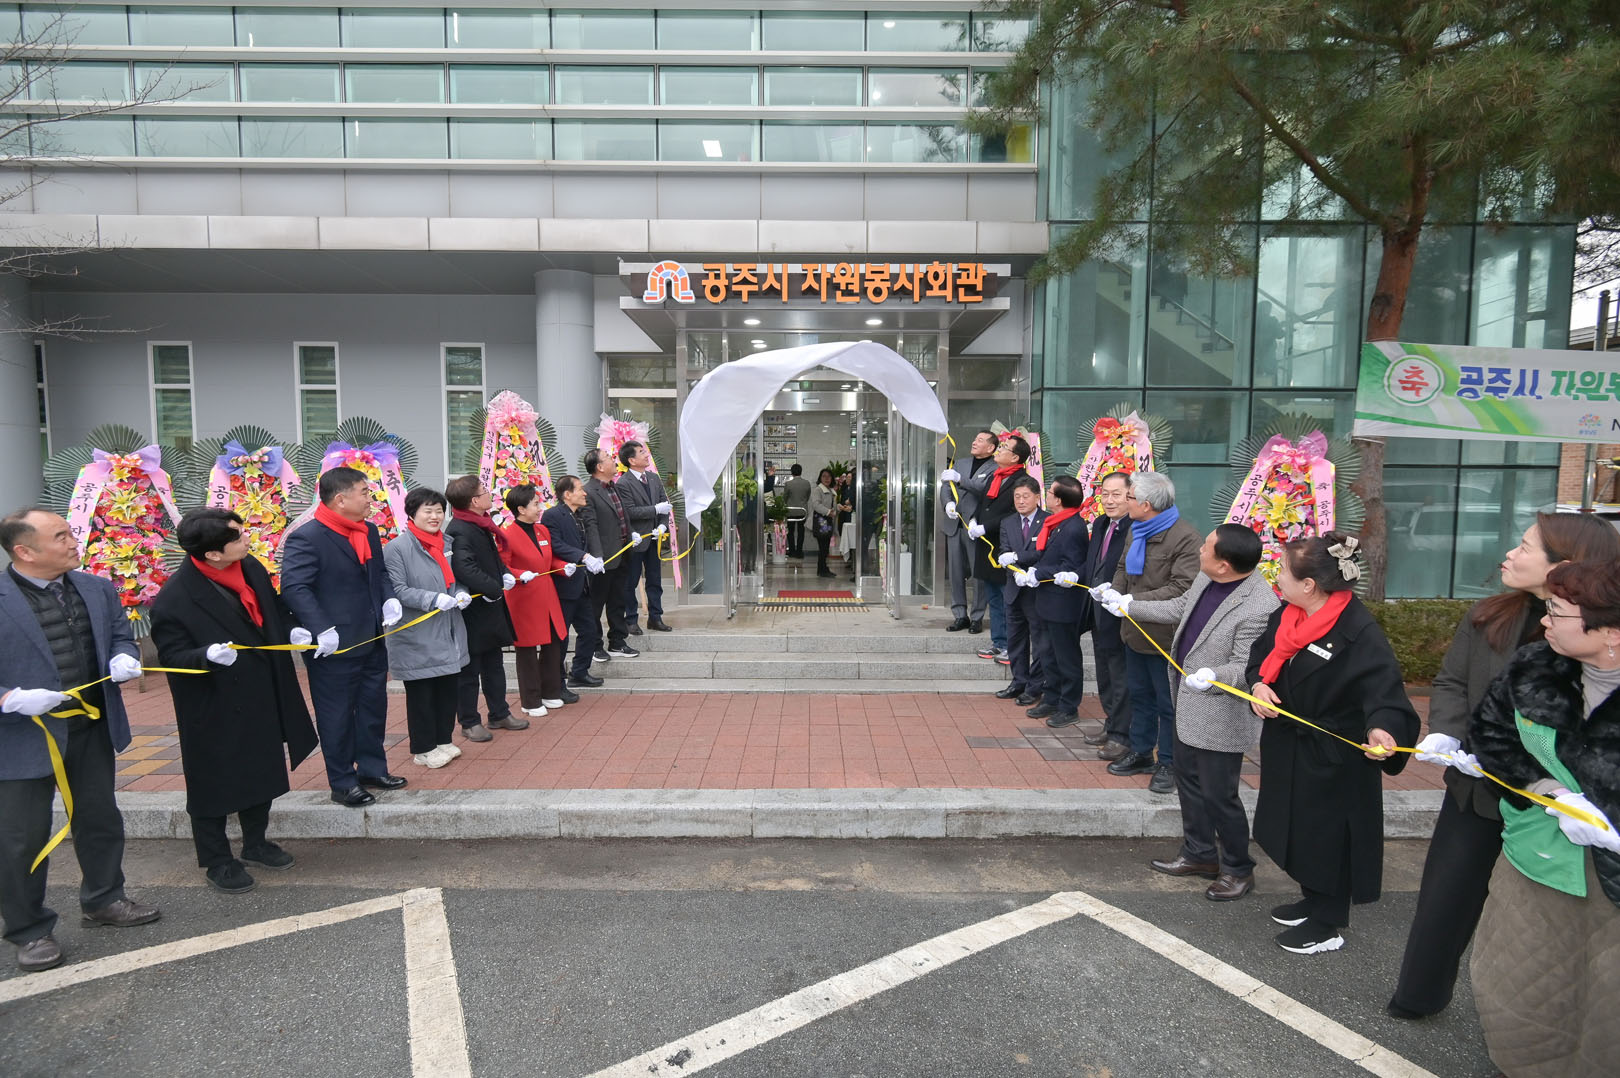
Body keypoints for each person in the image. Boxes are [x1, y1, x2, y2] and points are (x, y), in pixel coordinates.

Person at [1389, 512, 1620, 1020]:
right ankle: (1419, 995)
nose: (1510, 554)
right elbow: (1452, 681)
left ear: (1567, 565)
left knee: (1546, 932)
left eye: (1525, 546)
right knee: (1446, 900)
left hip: (1559, 812)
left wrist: (1548, 784)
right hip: (1475, 787)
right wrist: (1449, 732)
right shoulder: (1489, 615)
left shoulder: (1589, 643)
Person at [1469, 559, 1620, 1078]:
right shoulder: (1535, 664)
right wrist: (1548, 790)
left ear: (1611, 632)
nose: (1545, 621)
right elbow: (1491, 734)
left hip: (1611, 888)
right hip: (1535, 864)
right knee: (1518, 992)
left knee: (1605, 1014)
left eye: (1557, 612)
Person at [1243, 533, 1419, 955]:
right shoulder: (1288, 614)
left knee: (1329, 837)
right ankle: (1313, 897)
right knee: (1297, 826)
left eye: (1283, 571)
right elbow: (1259, 658)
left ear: (1309, 585)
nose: (1276, 577)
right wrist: (1259, 685)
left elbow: (1385, 691)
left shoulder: (1358, 630)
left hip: (1334, 752)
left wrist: (1382, 730)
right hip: (1290, 743)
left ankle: (1328, 920)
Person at [0, 508, 160, 972]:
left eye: (70, 532)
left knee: (99, 818)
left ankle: (104, 899)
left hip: (89, 726)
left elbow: (120, 637)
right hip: (21, 736)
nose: (74, 541)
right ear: (24, 551)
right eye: (60, 536)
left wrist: (123, 657)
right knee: (21, 837)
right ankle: (29, 929)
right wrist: (8, 698)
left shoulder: (95, 588)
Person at [151, 508, 319, 894]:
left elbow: (273, 607)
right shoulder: (175, 598)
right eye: (238, 536)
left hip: (262, 689)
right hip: (215, 702)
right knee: (213, 782)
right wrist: (205, 656)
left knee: (262, 770)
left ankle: (255, 843)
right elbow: (172, 656)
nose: (247, 539)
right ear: (212, 553)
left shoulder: (249, 567)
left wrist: (292, 629)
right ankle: (216, 859)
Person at [1118, 525, 1279, 900]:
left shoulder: (1259, 605)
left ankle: (1238, 868)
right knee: (1188, 783)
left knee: (1220, 795)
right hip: (1187, 702)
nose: (1200, 550)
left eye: (1207, 547)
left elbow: (1247, 666)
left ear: (1224, 564)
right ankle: (1199, 853)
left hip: (1220, 715)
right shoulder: (1207, 579)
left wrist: (1215, 676)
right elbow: (1179, 607)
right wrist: (1129, 605)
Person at [281, 466, 407, 807]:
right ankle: (342, 782)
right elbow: (295, 588)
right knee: (336, 715)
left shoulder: (367, 529)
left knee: (372, 708)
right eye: (364, 492)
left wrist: (389, 598)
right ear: (340, 499)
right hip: (333, 643)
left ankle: (372, 768)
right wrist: (321, 627)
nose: (370, 498)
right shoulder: (307, 537)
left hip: (370, 637)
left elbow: (378, 572)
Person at [1101, 471, 1200, 794]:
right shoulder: (1137, 529)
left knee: (1167, 704)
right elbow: (1122, 568)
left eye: (1128, 497)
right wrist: (1114, 592)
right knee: (1140, 696)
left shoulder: (1185, 538)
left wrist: (1133, 601)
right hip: (1134, 632)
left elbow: (1182, 588)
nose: (1123, 501)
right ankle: (1141, 751)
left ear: (1145, 504)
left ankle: (1169, 763)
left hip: (1165, 637)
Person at [381, 488, 472, 770]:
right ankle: (423, 748)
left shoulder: (445, 543)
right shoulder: (397, 548)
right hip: (416, 634)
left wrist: (460, 592)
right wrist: (433, 599)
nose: (435, 516)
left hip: (448, 629)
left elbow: (454, 579)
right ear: (412, 514)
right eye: (427, 511)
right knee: (422, 694)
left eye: (439, 511)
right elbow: (397, 589)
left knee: (447, 690)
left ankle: (443, 739)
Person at [444, 475, 525, 743]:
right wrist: (494, 588)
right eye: (484, 491)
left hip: (490, 607)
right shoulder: (460, 529)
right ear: (474, 501)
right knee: (470, 670)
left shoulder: (480, 523)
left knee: (494, 665)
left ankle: (499, 713)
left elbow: (491, 558)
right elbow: (464, 568)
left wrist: (504, 573)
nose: (489, 493)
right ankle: (469, 721)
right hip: (474, 610)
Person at [1017, 475, 1089, 727]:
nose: (1046, 496)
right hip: (1047, 601)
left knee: (1066, 657)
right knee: (1047, 654)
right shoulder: (1056, 523)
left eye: (1049, 493)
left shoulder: (1073, 527)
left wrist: (1039, 573)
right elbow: (1047, 557)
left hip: (1063, 604)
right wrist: (1031, 570)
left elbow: (1070, 566)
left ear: (1058, 500)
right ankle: (1052, 697)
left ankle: (1069, 706)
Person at [502, 484, 578, 715]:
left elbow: (549, 560)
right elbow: (503, 566)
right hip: (523, 598)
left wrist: (563, 567)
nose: (540, 508)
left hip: (547, 595)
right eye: (535, 504)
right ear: (521, 509)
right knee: (526, 651)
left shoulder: (541, 530)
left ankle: (551, 692)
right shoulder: (507, 535)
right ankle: (531, 700)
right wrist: (518, 574)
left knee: (553, 645)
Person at [959, 433, 1031, 664]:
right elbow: (984, 504)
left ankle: (1012, 646)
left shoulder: (1023, 481)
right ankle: (998, 642)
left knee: (1008, 599)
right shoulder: (996, 476)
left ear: (1015, 457)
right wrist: (973, 519)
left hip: (1005, 547)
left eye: (1005, 447)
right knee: (994, 599)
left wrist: (985, 526)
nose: (1000, 450)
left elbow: (1014, 513)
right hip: (986, 546)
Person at [1081, 472, 1134, 760]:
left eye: (1116, 494)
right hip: (1097, 610)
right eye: (1105, 494)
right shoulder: (1101, 523)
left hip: (1120, 612)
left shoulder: (1135, 527)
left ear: (1130, 495)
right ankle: (1111, 723)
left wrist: (1117, 593)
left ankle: (1122, 735)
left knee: (1120, 675)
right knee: (1104, 672)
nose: (1109, 500)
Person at [992, 475, 1046, 708]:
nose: (1021, 501)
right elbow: (1004, 551)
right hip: (1014, 590)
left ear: (1037, 497)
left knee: (1039, 642)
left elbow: (1042, 552)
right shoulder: (1008, 522)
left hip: (1037, 591)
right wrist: (1011, 565)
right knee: (1015, 640)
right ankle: (1018, 682)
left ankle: (1035, 687)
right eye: (1017, 497)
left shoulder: (1047, 521)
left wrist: (1018, 558)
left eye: (1026, 496)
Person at [545, 475, 601, 693]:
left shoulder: (580, 514)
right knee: (561, 637)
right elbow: (555, 544)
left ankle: (579, 672)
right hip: (564, 587)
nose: (585, 493)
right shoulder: (553, 515)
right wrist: (583, 557)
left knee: (589, 630)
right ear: (567, 494)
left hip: (582, 585)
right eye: (580, 489)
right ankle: (556, 682)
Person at [582, 448, 639, 662]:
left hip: (622, 553)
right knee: (596, 604)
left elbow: (623, 517)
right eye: (608, 458)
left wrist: (632, 534)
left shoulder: (615, 487)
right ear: (599, 467)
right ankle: (594, 645)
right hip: (603, 559)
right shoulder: (588, 492)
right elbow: (591, 526)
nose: (614, 460)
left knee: (618, 600)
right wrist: (596, 555)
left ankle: (617, 641)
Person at [941, 430, 997, 633]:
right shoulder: (960, 463)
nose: (974, 442)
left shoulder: (995, 468)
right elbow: (946, 487)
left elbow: (983, 489)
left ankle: (977, 617)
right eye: (975, 439)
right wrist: (947, 503)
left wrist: (960, 479)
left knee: (978, 574)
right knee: (955, 573)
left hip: (975, 527)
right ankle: (959, 615)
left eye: (980, 440)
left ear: (991, 447)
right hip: (954, 525)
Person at [616, 439, 674, 635]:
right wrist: (655, 509)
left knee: (655, 580)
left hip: (655, 539)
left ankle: (655, 618)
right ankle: (631, 620)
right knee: (630, 581)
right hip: (636, 540)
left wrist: (662, 525)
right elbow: (629, 511)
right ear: (631, 460)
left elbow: (665, 506)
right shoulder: (623, 483)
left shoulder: (653, 478)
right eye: (641, 452)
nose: (646, 454)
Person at [809, 468, 838, 578]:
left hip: (828, 521)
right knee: (823, 548)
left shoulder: (831, 490)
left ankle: (823, 569)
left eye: (829, 476)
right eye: (824, 476)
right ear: (820, 478)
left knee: (825, 548)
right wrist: (828, 512)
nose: (826, 479)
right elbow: (816, 505)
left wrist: (838, 508)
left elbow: (832, 506)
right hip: (821, 522)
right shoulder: (818, 490)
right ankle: (822, 570)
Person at [781, 464, 812, 558]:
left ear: (792, 472)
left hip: (791, 511)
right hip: (802, 511)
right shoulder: (807, 483)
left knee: (790, 531)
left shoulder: (788, 484)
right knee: (801, 531)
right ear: (801, 471)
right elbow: (807, 496)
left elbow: (785, 497)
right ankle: (799, 552)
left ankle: (791, 551)